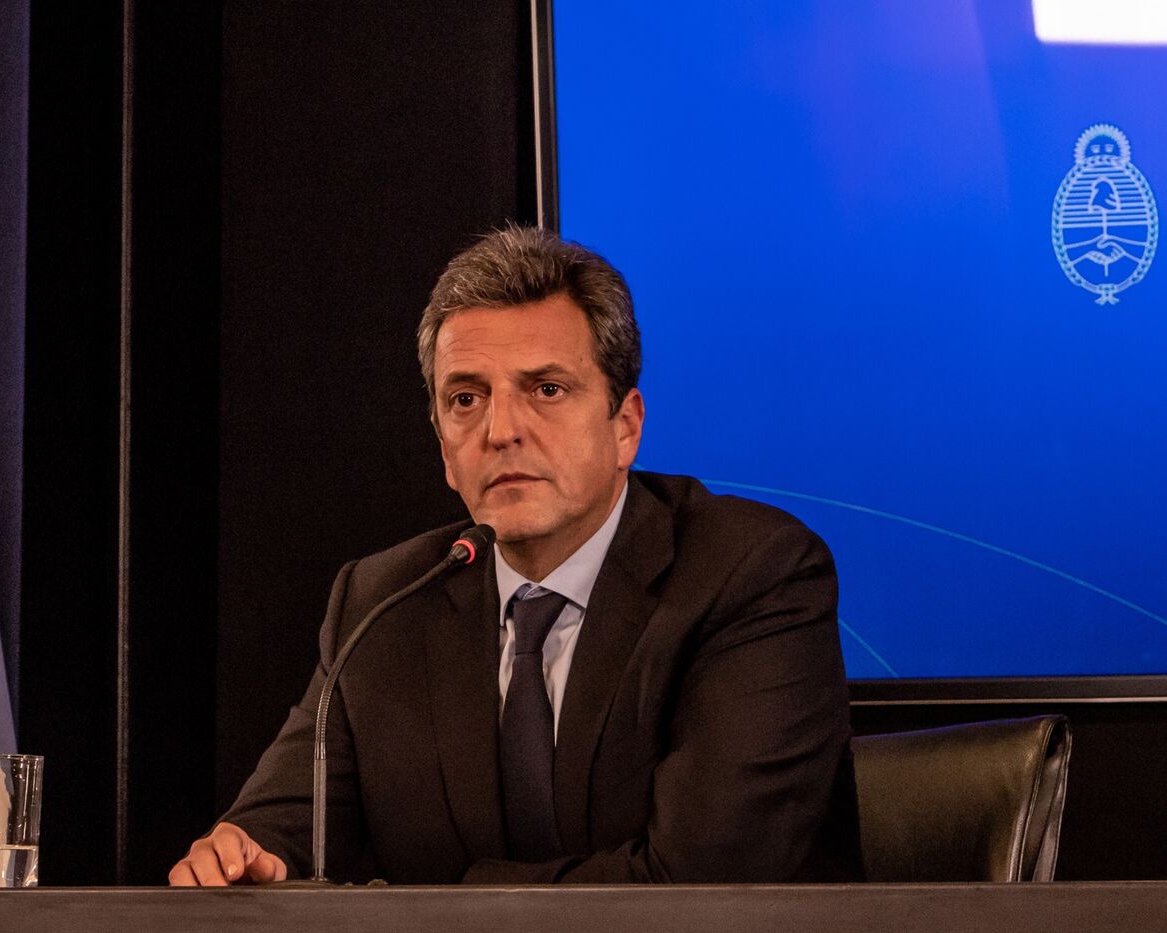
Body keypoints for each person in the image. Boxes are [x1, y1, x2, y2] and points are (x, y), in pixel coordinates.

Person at [170, 225, 861, 885]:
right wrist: (237, 857)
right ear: (443, 446)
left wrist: (453, 897)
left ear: (625, 427)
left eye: (546, 389)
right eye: (466, 398)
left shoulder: (752, 574)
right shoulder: (382, 602)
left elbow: (697, 883)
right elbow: (278, 830)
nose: (501, 430)